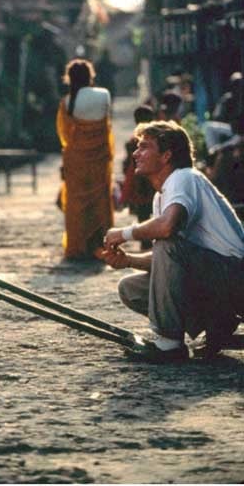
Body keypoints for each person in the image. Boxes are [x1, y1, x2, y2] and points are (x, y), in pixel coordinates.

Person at [97, 120, 244, 364]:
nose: (136, 153)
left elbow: (167, 230)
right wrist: (128, 260)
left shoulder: (183, 177)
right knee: (130, 288)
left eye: (144, 147)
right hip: (217, 278)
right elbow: (168, 262)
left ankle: (169, 345)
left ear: (166, 156)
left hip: (235, 276)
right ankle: (216, 322)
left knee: (167, 244)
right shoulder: (163, 194)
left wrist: (123, 233)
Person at [56, 58, 114, 260]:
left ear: (69, 78)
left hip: (75, 160)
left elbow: (64, 136)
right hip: (99, 159)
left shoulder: (67, 101)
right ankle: (99, 245)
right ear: (91, 76)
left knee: (76, 206)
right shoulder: (103, 95)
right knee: (100, 203)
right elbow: (108, 128)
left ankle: (78, 247)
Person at [120, 104, 155, 250]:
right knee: (151, 208)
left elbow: (129, 160)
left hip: (139, 178)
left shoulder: (133, 140)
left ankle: (145, 240)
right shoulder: (156, 136)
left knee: (143, 211)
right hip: (150, 177)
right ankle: (149, 239)